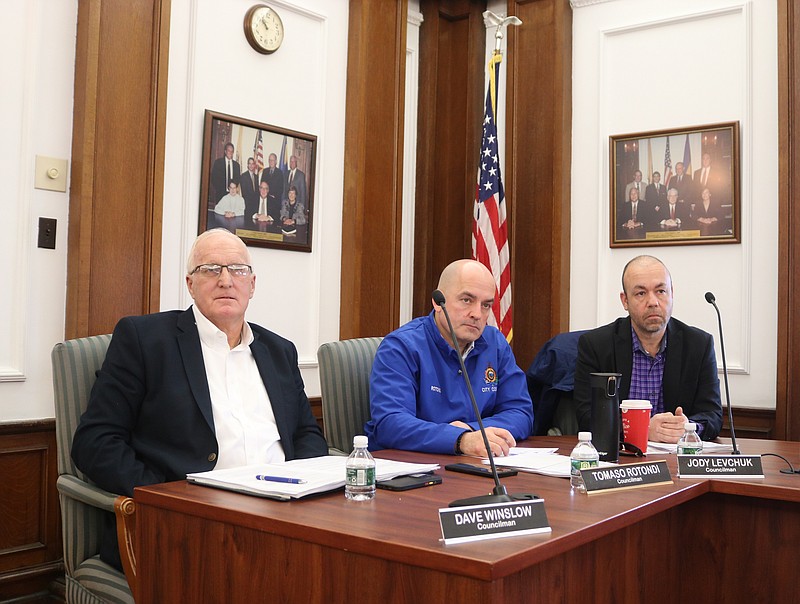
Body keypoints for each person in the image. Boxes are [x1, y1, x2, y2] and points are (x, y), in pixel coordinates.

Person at [71, 228, 327, 570]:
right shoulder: (145, 340)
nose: (225, 280)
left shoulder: (279, 350)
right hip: (188, 526)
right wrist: (170, 497)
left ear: (252, 285)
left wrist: (303, 487)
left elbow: (306, 435)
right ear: (190, 284)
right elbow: (95, 442)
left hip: (285, 515)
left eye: (237, 270)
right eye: (210, 269)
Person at [364, 259, 534, 456]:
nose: (477, 314)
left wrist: (470, 433)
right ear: (438, 302)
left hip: (474, 464)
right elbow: (390, 424)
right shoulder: (401, 346)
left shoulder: (495, 344)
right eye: (467, 300)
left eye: (486, 305)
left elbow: (521, 412)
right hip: (412, 467)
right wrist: (458, 439)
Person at [574, 255, 722, 443]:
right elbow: (588, 417)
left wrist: (688, 428)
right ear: (625, 301)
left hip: (676, 459)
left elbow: (713, 415)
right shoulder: (595, 345)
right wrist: (641, 429)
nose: (653, 302)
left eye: (661, 291)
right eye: (641, 293)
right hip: (621, 460)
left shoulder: (699, 345)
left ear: (672, 294)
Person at [260, 152, 284, 218]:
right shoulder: (265, 171)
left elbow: (281, 188)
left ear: (276, 161)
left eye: (272, 160)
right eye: (269, 160)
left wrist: (273, 196)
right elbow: (262, 185)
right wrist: (266, 194)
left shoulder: (280, 173)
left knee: (273, 219)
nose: (271, 162)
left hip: (275, 201)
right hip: (265, 199)